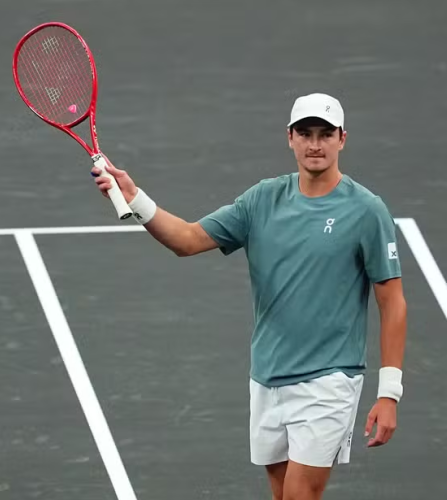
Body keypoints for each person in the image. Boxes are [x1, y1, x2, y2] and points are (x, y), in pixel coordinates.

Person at [92, 93, 407, 500]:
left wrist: (389, 392)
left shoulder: (367, 211)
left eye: (326, 134)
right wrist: (135, 198)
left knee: (299, 496)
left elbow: (392, 300)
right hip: (268, 377)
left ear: (342, 139)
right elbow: (187, 240)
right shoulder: (261, 200)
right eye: (305, 134)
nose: (315, 143)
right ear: (289, 138)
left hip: (330, 380)